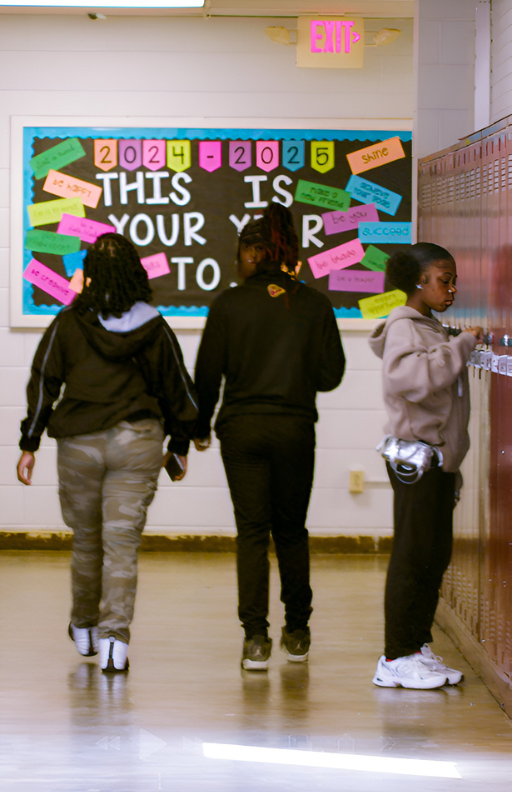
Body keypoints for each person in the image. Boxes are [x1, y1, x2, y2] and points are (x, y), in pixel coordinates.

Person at [17, 234, 198, 673]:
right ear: (135, 272)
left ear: (91, 272)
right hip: (137, 442)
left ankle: (84, 628)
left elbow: (44, 381)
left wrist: (30, 442)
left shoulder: (69, 321)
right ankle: (115, 640)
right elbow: (178, 389)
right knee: (122, 543)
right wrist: (179, 443)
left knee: (86, 541)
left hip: (79, 443)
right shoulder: (154, 325)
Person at [193, 203, 346, 670]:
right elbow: (331, 374)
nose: (236, 260)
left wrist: (198, 430)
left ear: (258, 252)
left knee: (252, 532)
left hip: (241, 430)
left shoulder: (229, 303)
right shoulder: (314, 303)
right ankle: (297, 631)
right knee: (292, 531)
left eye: (241, 250)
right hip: (294, 429)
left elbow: (206, 376)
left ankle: (255, 640)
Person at [369, 243, 483, 689]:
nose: (451, 289)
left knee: (434, 556)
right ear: (418, 281)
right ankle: (394, 656)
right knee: (412, 558)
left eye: (454, 280)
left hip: (440, 464)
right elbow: (409, 378)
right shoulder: (404, 327)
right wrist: (463, 345)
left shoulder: (427, 326)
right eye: (443, 280)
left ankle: (415, 647)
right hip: (415, 463)